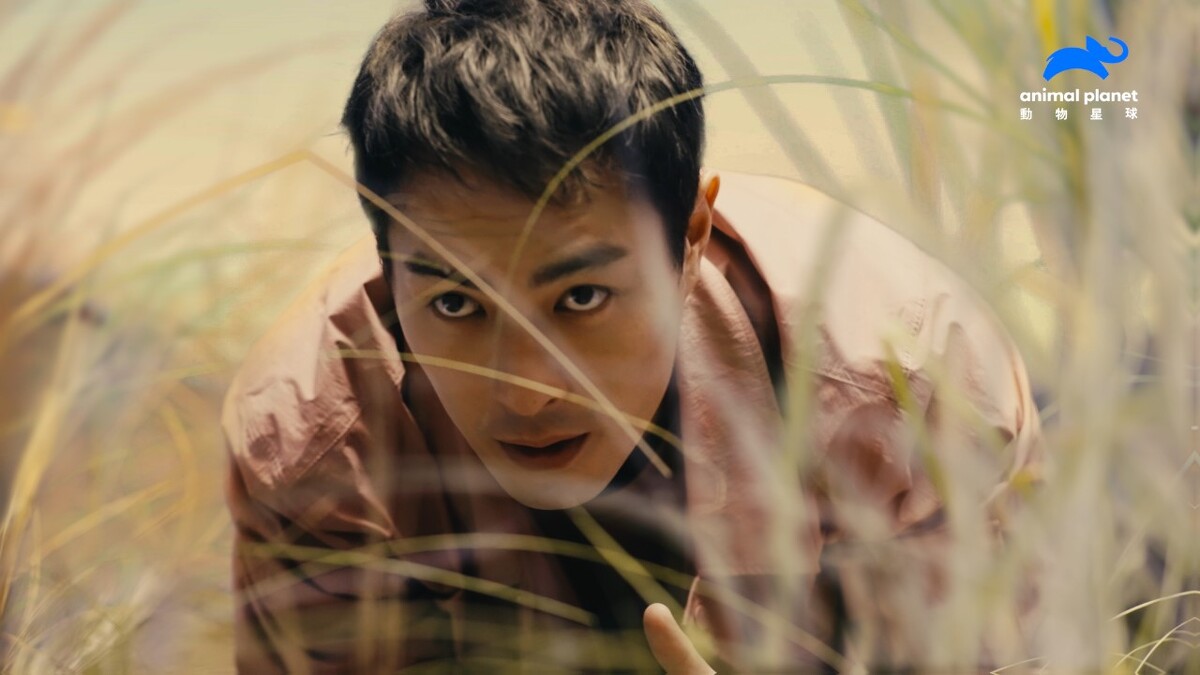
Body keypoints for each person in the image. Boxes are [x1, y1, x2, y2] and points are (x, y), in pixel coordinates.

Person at [222, 0, 1044, 671]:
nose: (525, 390)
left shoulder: (912, 391)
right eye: (456, 305)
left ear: (690, 238)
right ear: (387, 267)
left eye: (581, 297)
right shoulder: (309, 447)